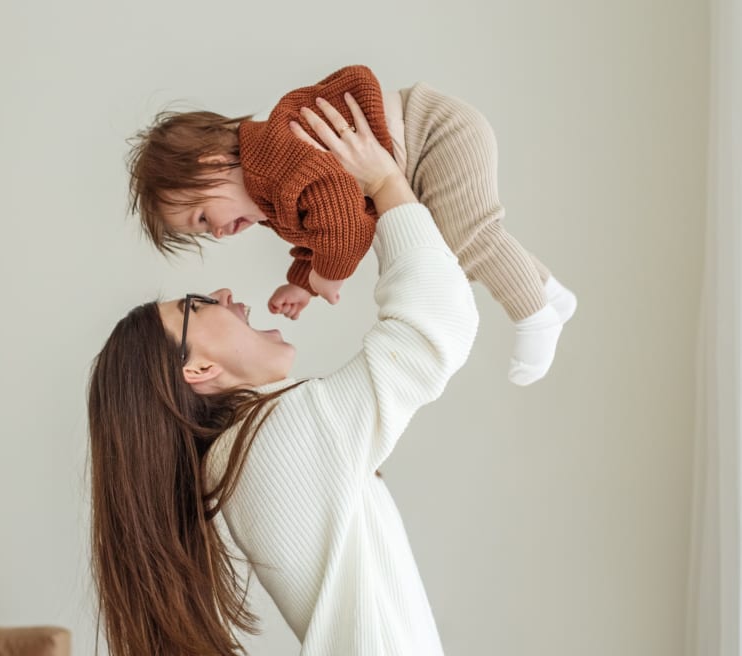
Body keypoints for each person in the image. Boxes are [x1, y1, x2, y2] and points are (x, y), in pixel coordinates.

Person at [90, 97, 478, 655]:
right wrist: (386, 182)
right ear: (197, 368)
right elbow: (436, 323)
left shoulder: (239, 455)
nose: (225, 294)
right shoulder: (276, 436)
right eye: (200, 305)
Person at [128, 64, 576, 385]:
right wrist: (301, 282)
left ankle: (534, 317)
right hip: (420, 156)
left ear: (213, 164)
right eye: (205, 233)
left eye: (204, 217)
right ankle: (549, 294)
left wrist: (327, 274)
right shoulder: (265, 192)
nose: (219, 233)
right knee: (462, 245)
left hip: (435, 133)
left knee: (470, 239)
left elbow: (344, 224)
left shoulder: (273, 159)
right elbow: (316, 229)